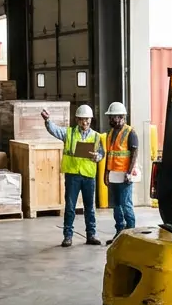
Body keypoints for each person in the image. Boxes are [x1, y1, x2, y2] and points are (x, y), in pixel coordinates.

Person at [41, 104, 105, 247]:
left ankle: (91, 235)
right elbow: (54, 130)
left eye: (87, 119)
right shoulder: (68, 133)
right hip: (73, 176)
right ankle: (68, 236)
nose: (85, 122)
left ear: (91, 120)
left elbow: (101, 153)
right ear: (77, 120)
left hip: (88, 176)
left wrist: (98, 157)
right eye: (82, 119)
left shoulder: (96, 136)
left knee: (90, 207)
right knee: (70, 207)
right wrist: (47, 120)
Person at [101, 101, 140, 244]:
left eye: (113, 117)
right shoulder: (110, 133)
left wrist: (129, 173)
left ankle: (131, 234)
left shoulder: (130, 132)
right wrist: (106, 173)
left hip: (124, 175)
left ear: (122, 117)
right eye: (110, 117)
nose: (110, 119)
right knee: (116, 205)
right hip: (113, 175)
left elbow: (134, 153)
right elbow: (109, 154)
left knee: (126, 204)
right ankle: (119, 231)